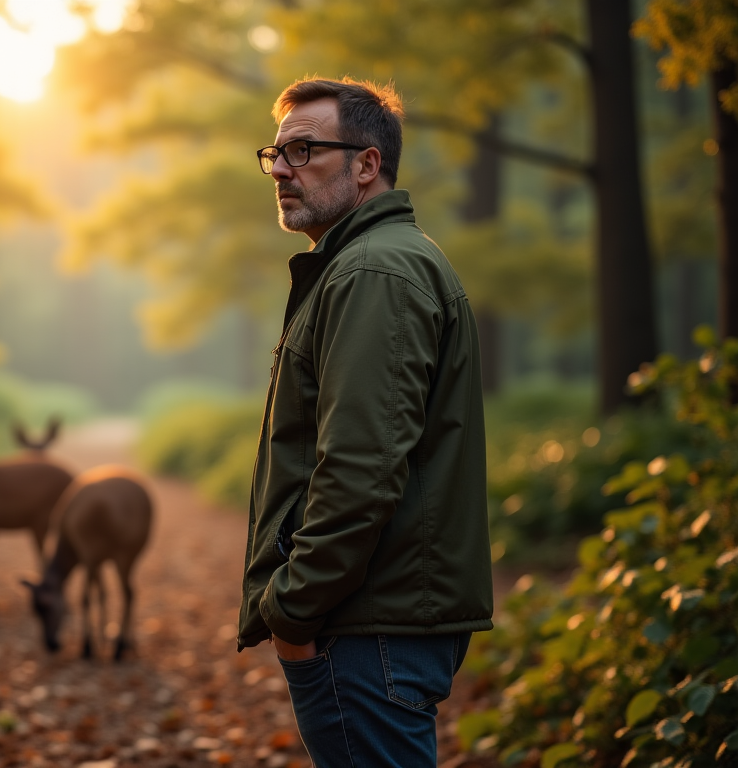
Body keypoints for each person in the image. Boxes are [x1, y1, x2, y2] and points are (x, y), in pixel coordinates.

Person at [237, 77, 494, 767]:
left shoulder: (373, 272)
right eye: (276, 154)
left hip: (364, 624)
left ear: (367, 165)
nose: (281, 170)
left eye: (304, 150)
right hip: (373, 617)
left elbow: (360, 467)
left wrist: (293, 611)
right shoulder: (369, 264)